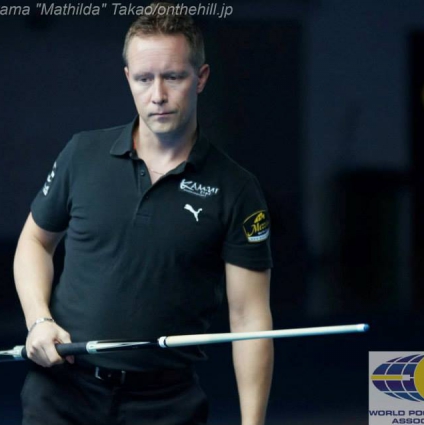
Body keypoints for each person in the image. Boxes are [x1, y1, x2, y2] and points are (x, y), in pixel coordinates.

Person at [14, 3, 274, 424]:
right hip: (62, 393)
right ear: (128, 79)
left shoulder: (236, 188)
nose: (158, 95)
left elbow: (249, 319)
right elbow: (34, 242)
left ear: (201, 77)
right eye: (144, 78)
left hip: (166, 403)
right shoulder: (82, 154)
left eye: (173, 76)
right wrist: (38, 320)